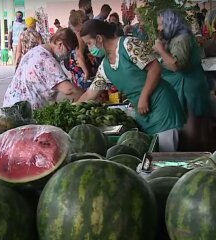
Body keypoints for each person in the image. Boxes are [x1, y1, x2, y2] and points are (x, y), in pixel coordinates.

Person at [78, 20, 185, 152]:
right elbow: (90, 93)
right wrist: (73, 108)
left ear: (99, 38)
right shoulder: (105, 66)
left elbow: (155, 68)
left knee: (164, 157)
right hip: (144, 114)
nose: (89, 49)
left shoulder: (129, 45)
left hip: (162, 106)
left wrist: (144, 97)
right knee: (152, 156)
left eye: (89, 43)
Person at [153, 9, 211, 151]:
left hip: (189, 89)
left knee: (192, 132)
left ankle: (197, 162)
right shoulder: (175, 39)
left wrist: (161, 50)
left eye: (161, 25)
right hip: (186, 86)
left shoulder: (182, 39)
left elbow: (175, 65)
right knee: (190, 129)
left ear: (170, 23)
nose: (159, 29)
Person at [3, 28, 84, 110]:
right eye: (68, 51)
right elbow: (69, 89)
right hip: (23, 110)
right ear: (60, 44)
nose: (68, 55)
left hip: (12, 104)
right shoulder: (46, 59)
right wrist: (88, 95)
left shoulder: (36, 50)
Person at [68, 10, 102, 90]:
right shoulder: (80, 33)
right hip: (81, 64)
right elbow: (79, 54)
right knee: (89, 88)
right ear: (80, 22)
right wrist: (86, 72)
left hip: (82, 62)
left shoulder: (82, 31)